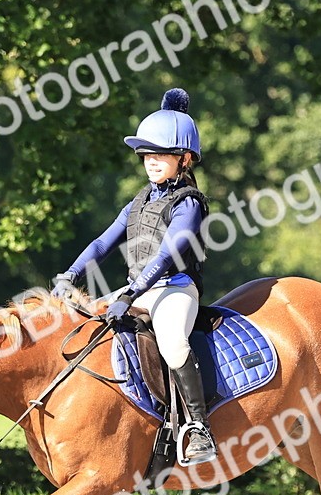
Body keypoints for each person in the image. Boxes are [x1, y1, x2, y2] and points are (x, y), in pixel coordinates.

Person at [52, 88, 217, 464]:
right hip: (135, 289)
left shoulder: (189, 203)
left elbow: (167, 254)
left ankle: (198, 427)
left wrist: (129, 294)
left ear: (185, 159)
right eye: (147, 155)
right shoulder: (140, 200)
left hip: (174, 289)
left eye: (161, 155)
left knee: (174, 343)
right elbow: (102, 243)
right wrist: (71, 274)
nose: (152, 162)